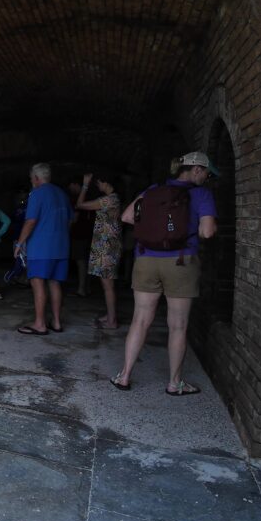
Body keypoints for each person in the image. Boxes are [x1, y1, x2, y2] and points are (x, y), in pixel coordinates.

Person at [111, 152, 218, 395]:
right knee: (178, 325)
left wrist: (154, 227)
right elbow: (208, 232)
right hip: (181, 261)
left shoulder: (152, 189)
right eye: (207, 173)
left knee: (140, 319)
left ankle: (124, 375)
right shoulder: (201, 194)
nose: (207, 178)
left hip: (146, 259)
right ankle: (175, 383)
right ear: (197, 170)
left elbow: (127, 216)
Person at [14, 163, 73, 335]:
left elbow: (30, 221)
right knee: (55, 283)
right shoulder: (62, 194)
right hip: (61, 246)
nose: (31, 180)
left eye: (31, 178)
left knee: (37, 281)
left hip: (42, 246)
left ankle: (39, 324)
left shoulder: (37, 193)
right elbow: (71, 220)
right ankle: (56, 322)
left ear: (36, 178)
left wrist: (19, 243)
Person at [75, 172, 122, 329]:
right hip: (108, 245)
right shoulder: (114, 199)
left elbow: (79, 205)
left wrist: (85, 185)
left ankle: (112, 321)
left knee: (108, 286)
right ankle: (110, 315)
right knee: (107, 285)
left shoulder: (109, 200)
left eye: (99, 183)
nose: (98, 186)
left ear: (106, 183)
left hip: (107, 247)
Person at [67, 181, 95, 297]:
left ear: (76, 184)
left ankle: (81, 289)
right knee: (86, 262)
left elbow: (74, 219)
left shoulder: (78, 200)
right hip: (88, 234)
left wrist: (66, 231)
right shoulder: (89, 198)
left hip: (79, 234)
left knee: (81, 262)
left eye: (71, 186)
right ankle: (87, 288)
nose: (70, 189)